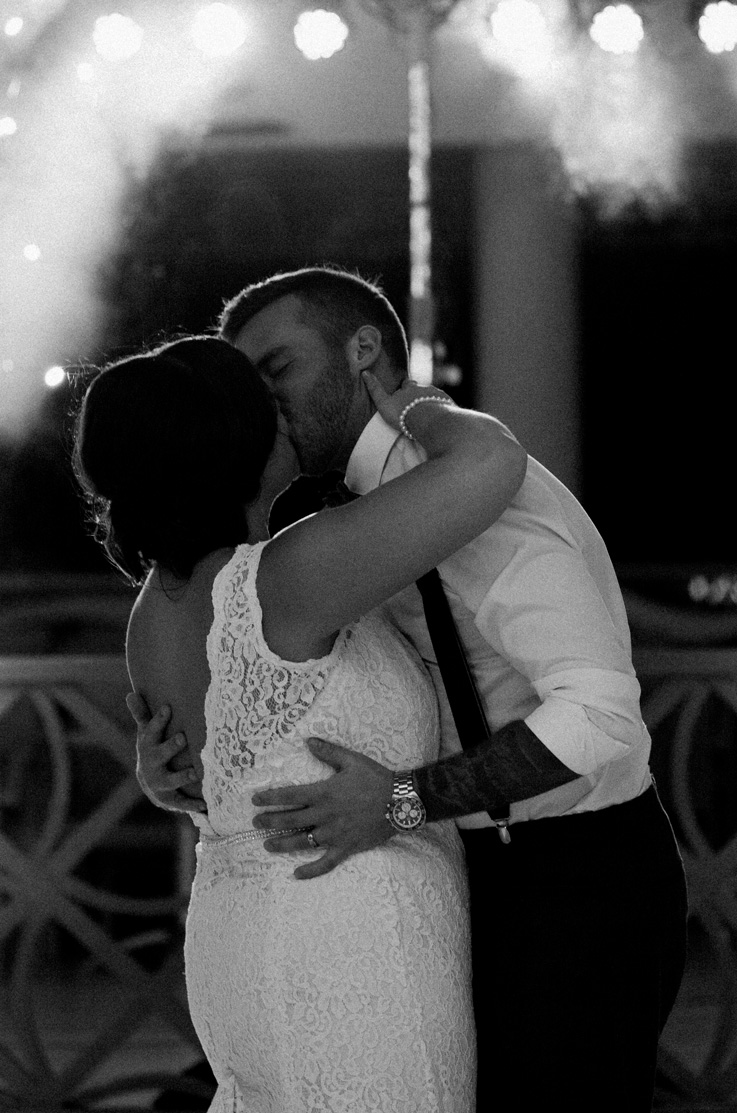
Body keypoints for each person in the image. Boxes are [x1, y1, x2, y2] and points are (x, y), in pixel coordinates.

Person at [132, 267, 689, 1113]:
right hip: (456, 882)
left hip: (571, 878)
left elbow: (601, 719)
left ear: (363, 350)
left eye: (276, 368)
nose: (261, 403)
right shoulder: (342, 524)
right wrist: (202, 758)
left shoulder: (475, 486)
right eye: (245, 386)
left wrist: (398, 801)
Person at [74, 332, 528, 1113]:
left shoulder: (155, 608)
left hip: (242, 937)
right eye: (268, 402)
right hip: (345, 949)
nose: (285, 416)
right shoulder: (288, 575)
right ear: (242, 435)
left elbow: (216, 776)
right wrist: (412, 400)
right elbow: (491, 464)